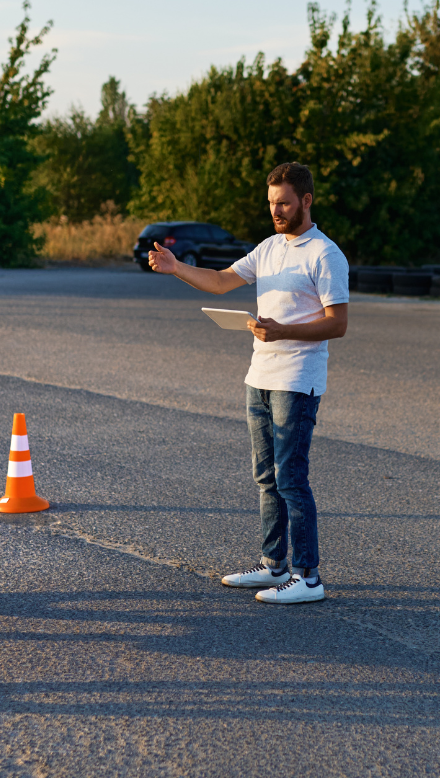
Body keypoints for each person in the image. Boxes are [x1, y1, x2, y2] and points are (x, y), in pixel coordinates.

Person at [148, 162, 349, 604]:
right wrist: (176, 267)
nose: (276, 211)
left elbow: (338, 324)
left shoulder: (325, 254)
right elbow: (221, 282)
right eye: (272, 204)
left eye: (285, 204)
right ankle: (274, 565)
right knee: (266, 478)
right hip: (259, 376)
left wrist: (283, 330)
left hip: (297, 380)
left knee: (291, 478)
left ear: (306, 201)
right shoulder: (269, 247)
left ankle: (308, 577)